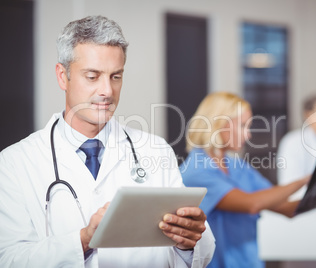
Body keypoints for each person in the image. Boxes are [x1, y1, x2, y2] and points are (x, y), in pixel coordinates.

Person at [0, 15, 214, 268]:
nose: (107, 91)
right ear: (62, 76)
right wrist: (83, 240)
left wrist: (188, 242)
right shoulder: (14, 162)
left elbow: (202, 250)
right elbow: (9, 259)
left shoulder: (155, 150)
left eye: (116, 76)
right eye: (92, 76)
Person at [179, 92, 316, 268]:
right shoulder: (195, 171)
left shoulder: (237, 166)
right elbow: (252, 204)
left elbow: (285, 208)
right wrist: (307, 179)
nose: (248, 135)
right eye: (242, 126)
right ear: (219, 124)